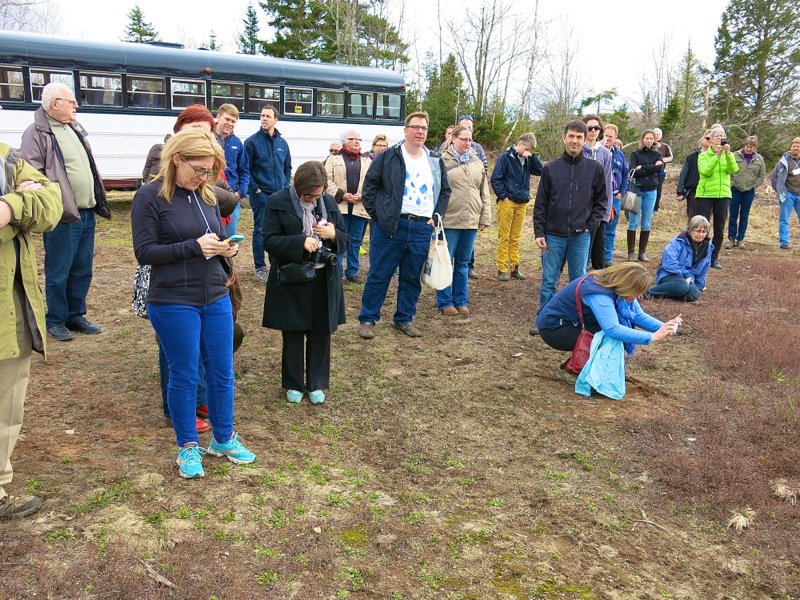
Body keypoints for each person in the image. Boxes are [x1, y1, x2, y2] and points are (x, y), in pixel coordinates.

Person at [131, 129, 256, 479]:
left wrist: (225, 249)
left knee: (221, 370)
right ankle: (187, 446)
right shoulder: (149, 197)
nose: (203, 177)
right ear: (177, 160)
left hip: (214, 294)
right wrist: (194, 248)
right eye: (198, 170)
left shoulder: (207, 196)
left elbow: (211, 237)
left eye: (209, 172)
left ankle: (224, 437)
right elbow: (144, 252)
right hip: (173, 300)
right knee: (185, 374)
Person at [0, 141, 63, 520]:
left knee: (8, 403)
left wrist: (11, 207)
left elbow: (52, 203)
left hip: (11, 310)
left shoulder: (6, 157)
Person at [20, 82, 111, 341]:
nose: (76, 106)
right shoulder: (37, 132)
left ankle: (75, 315)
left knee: (83, 268)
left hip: (86, 212)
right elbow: (30, 172)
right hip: (62, 215)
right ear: (54, 104)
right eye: (71, 102)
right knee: (59, 270)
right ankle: (56, 319)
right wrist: (54, 201)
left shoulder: (74, 128)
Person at [357, 111, 451, 339]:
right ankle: (368, 319)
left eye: (424, 128)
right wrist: (379, 216)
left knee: (411, 277)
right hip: (391, 226)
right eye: (416, 127)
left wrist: (436, 216)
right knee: (380, 274)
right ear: (405, 129)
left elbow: (445, 191)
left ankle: (404, 318)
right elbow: (370, 187)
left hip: (421, 228)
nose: (420, 131)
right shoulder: (389, 156)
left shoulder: (435, 160)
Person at [262, 161, 347, 404]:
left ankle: (317, 383)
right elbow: (268, 240)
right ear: (298, 187)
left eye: (317, 195)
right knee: (293, 331)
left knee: (321, 331)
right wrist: (300, 242)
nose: (312, 199)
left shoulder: (328, 203)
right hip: (292, 276)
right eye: (308, 195)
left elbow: (345, 238)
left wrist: (333, 235)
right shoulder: (277, 202)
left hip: (324, 278)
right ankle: (293, 383)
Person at [535, 262, 682, 387]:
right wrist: (652, 337)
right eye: (637, 293)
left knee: (607, 337)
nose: (637, 297)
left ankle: (586, 368)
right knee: (608, 340)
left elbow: (637, 315)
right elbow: (613, 329)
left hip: (572, 324)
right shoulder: (599, 293)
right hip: (554, 329)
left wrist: (664, 327)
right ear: (628, 285)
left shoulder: (616, 285)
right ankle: (573, 371)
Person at [532, 120, 606, 323]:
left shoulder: (594, 168)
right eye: (571, 136)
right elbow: (540, 204)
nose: (574, 141)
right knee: (549, 280)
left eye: (579, 137)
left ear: (586, 139)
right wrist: (539, 232)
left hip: (580, 236)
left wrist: (590, 226)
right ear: (564, 138)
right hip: (552, 235)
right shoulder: (551, 169)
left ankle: (576, 320)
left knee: (578, 281)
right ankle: (545, 320)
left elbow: (601, 202)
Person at [436, 125, 491, 315]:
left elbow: (484, 191)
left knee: (463, 263)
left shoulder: (477, 162)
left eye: (470, 140)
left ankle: (461, 300)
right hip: (450, 219)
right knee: (445, 262)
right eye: (463, 139)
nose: (467, 143)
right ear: (454, 139)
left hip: (470, 220)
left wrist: (485, 216)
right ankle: (444, 301)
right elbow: (437, 190)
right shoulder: (442, 161)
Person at [245, 104, 292, 283]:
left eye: (267, 116)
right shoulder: (251, 142)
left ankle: (276, 265)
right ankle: (260, 267)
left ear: (276, 120)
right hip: (261, 194)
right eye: (262, 115)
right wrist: (255, 188)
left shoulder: (282, 143)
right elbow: (246, 169)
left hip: (279, 195)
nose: (264, 118)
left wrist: (285, 185)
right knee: (260, 230)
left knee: (278, 231)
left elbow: (287, 167)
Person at [491, 133, 543, 281]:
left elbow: (541, 171)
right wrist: (503, 196)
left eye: (530, 150)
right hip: (507, 202)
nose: (527, 152)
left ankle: (514, 267)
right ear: (520, 144)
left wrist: (531, 157)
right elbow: (496, 178)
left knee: (516, 237)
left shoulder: (527, 160)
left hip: (522, 202)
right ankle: (502, 268)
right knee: (504, 237)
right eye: (526, 148)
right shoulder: (505, 158)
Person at [325, 128, 371, 283]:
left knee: (356, 240)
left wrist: (362, 195)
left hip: (359, 207)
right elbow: (326, 180)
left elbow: (372, 182)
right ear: (344, 141)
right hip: (340, 207)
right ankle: (336, 271)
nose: (357, 141)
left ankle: (352, 271)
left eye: (359, 139)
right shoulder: (333, 159)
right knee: (337, 238)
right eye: (352, 139)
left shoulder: (367, 160)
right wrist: (341, 194)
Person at [695, 128, 738, 269]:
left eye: (722, 136)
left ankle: (714, 258)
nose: (720, 138)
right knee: (701, 227)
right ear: (711, 139)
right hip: (705, 195)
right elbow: (705, 172)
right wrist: (717, 156)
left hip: (723, 195)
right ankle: (699, 256)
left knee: (719, 228)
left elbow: (734, 170)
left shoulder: (728, 155)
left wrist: (728, 154)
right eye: (717, 136)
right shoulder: (703, 155)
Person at [648, 216, 713, 302]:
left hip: (688, 279)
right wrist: (686, 276)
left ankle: (667, 294)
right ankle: (648, 293)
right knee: (682, 285)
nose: (701, 235)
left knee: (694, 293)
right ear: (690, 230)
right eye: (698, 231)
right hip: (669, 274)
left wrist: (698, 286)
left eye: (704, 232)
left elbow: (703, 271)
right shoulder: (677, 242)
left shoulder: (708, 247)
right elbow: (669, 263)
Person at [582, 115, 614, 270]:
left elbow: (608, 183)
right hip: (580, 207)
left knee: (598, 251)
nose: (593, 131)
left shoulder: (605, 154)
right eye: (590, 128)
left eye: (596, 128)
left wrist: (607, 211)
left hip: (598, 207)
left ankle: (600, 286)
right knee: (581, 249)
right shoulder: (578, 150)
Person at [626, 129, 664, 262]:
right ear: (642, 139)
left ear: (654, 140)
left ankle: (642, 253)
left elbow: (660, 169)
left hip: (651, 191)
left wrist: (642, 167)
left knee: (646, 223)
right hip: (635, 190)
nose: (649, 141)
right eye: (646, 138)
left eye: (651, 139)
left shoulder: (657, 154)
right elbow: (632, 172)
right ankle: (631, 253)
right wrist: (651, 168)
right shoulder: (635, 154)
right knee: (632, 223)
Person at [215, 103, 250, 237]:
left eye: (233, 121)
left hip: (231, 198)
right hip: (211, 196)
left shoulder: (237, 143)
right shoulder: (208, 138)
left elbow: (244, 171)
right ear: (218, 117)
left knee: (229, 238)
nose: (230, 123)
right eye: (227, 119)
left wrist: (240, 193)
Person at [727, 136, 765, 249]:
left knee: (744, 216)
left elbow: (761, 175)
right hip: (735, 190)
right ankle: (731, 238)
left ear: (755, 148)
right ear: (744, 146)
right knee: (733, 215)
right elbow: (728, 170)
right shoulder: (734, 155)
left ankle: (740, 239)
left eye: (751, 147)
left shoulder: (759, 159)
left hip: (749, 191)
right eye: (747, 146)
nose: (749, 149)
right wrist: (732, 183)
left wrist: (754, 185)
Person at [603, 124, 628, 266]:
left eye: (610, 136)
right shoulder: (597, 152)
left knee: (610, 229)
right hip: (599, 197)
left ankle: (607, 258)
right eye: (605, 135)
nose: (607, 138)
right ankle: (589, 259)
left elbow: (625, 173)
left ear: (615, 138)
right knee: (595, 228)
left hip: (615, 197)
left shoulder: (619, 154)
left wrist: (622, 192)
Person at [772, 137, 800, 250]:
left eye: (798, 146)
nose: (796, 148)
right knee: (784, 219)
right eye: (794, 146)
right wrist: (779, 191)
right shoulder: (784, 161)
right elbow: (774, 177)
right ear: (791, 147)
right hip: (788, 194)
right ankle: (784, 242)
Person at [676, 132, 712, 220]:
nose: (709, 140)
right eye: (707, 138)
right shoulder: (692, 157)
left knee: (705, 221)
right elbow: (683, 174)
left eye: (712, 139)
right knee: (692, 220)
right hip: (693, 191)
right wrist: (680, 191)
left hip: (710, 192)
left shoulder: (717, 157)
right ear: (702, 139)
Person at [652, 127, 673, 212]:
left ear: (661, 136)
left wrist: (662, 160)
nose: (657, 136)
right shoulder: (648, 144)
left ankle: (655, 208)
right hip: (649, 172)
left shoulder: (665, 146)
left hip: (660, 173)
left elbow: (671, 157)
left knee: (658, 190)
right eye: (655, 134)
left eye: (658, 134)